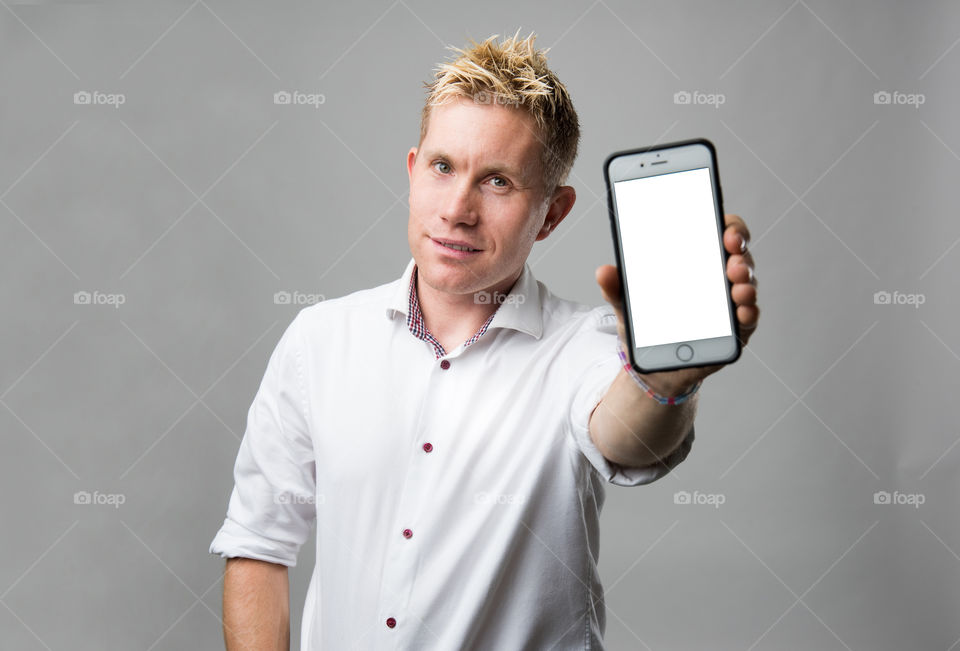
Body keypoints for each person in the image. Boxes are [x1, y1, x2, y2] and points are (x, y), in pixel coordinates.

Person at [209, 32, 758, 650]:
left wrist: (660, 383)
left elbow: (630, 443)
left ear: (552, 213)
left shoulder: (586, 347)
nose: (457, 210)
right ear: (414, 171)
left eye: (498, 182)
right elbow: (258, 543)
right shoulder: (319, 341)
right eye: (444, 168)